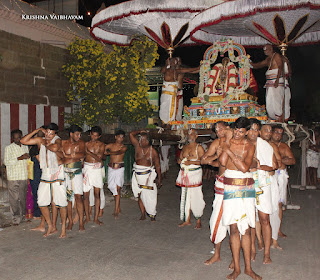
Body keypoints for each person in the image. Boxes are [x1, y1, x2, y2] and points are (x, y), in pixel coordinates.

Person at [219, 117, 261, 280]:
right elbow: (223, 162)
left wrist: (229, 151)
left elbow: (244, 168)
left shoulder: (249, 146)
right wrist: (227, 145)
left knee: (247, 228)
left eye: (241, 131)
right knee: (234, 228)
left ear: (247, 132)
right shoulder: (229, 141)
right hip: (230, 186)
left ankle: (248, 269)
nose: (237, 133)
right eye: (236, 130)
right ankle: (236, 268)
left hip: (246, 186)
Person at [21, 123, 67, 238]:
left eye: (51, 133)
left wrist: (45, 143)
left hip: (57, 173)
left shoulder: (57, 140)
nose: (48, 135)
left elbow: (55, 148)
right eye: (47, 132)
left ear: (55, 133)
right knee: (41, 202)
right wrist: (36, 131)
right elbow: (23, 141)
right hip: (46, 173)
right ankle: (50, 225)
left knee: (61, 203)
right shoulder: (41, 139)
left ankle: (63, 230)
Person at [201, 121, 233, 265]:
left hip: (235, 185)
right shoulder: (217, 143)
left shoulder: (237, 142)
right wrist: (217, 157)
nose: (219, 131)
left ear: (228, 128)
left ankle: (235, 258)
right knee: (216, 221)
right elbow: (204, 160)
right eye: (216, 129)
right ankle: (217, 254)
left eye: (221, 128)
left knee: (235, 223)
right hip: (221, 184)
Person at [247, 119, 277, 264]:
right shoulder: (241, 144)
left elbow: (274, 166)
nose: (254, 132)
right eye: (251, 129)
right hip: (247, 184)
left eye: (256, 129)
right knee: (250, 219)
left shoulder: (265, 146)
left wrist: (260, 166)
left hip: (263, 185)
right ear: (247, 130)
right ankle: (252, 250)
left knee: (264, 219)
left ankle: (266, 253)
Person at [251, 44, 291, 121]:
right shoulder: (268, 59)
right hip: (270, 83)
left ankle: (280, 118)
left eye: (267, 49)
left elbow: (280, 67)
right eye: (264, 50)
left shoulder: (276, 56)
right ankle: (273, 118)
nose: (265, 51)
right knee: (269, 101)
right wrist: (249, 63)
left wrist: (277, 80)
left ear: (271, 49)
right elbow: (258, 65)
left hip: (277, 81)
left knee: (277, 100)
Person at [176, 129, 205, 229]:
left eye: (192, 134)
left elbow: (203, 162)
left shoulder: (199, 148)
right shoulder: (185, 147)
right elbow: (179, 159)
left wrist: (191, 163)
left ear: (196, 136)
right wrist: (181, 161)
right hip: (185, 174)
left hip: (195, 174)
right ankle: (187, 219)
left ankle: (198, 220)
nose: (190, 136)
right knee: (185, 196)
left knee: (196, 196)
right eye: (188, 134)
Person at [130, 130, 161, 221]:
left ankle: (152, 213)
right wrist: (140, 131)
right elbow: (131, 134)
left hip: (148, 175)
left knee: (150, 195)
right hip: (137, 174)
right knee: (140, 194)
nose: (141, 141)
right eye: (140, 139)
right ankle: (143, 214)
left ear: (148, 141)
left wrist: (159, 179)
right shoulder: (137, 147)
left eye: (143, 140)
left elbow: (158, 166)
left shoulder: (153, 152)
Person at [260, 124, 282, 250]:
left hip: (270, 180)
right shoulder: (254, 145)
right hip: (257, 180)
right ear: (260, 132)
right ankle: (260, 242)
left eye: (270, 131)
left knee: (273, 210)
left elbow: (277, 164)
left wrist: (267, 167)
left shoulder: (272, 146)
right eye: (265, 130)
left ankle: (274, 240)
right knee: (258, 215)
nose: (268, 133)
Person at [271, 125, 296, 238]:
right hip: (268, 176)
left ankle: (278, 229)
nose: (278, 135)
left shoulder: (283, 146)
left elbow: (292, 160)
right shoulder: (265, 144)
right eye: (276, 132)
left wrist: (280, 160)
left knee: (279, 203)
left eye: (280, 133)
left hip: (280, 176)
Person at [160, 57, 200, 123]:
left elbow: (191, 71)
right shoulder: (167, 69)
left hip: (176, 91)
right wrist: (167, 64)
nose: (176, 63)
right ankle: (167, 122)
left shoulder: (179, 70)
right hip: (168, 91)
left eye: (177, 61)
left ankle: (175, 121)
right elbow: (162, 71)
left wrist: (199, 68)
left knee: (178, 108)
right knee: (166, 108)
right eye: (174, 61)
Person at [61, 125, 85, 231]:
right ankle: (70, 221)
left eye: (80, 134)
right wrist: (73, 156)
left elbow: (82, 154)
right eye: (77, 134)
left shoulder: (81, 143)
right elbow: (61, 156)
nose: (79, 136)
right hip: (66, 173)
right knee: (68, 199)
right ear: (71, 134)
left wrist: (69, 156)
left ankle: (80, 222)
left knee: (78, 197)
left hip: (77, 173)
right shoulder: (63, 143)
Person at [4, 129, 29, 225]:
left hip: (23, 176)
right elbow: (6, 162)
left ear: (22, 136)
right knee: (14, 199)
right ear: (12, 139)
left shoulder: (25, 147)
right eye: (15, 138)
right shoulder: (8, 148)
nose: (17, 139)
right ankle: (15, 218)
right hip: (13, 177)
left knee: (23, 198)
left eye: (19, 137)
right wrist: (19, 158)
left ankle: (22, 217)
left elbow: (27, 162)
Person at [83, 126, 105, 225]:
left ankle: (96, 218)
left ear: (99, 136)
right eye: (92, 135)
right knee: (86, 194)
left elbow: (99, 158)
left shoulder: (101, 145)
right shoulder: (86, 144)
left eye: (96, 136)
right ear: (90, 134)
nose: (93, 137)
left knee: (97, 194)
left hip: (96, 168)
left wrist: (88, 152)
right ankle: (87, 217)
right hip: (87, 168)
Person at [105, 129, 127, 219]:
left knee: (117, 189)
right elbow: (104, 151)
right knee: (111, 186)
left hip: (119, 169)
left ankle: (116, 211)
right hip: (111, 168)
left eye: (122, 137)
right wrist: (107, 152)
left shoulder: (124, 147)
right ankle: (118, 207)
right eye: (119, 137)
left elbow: (119, 152)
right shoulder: (110, 145)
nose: (120, 139)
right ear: (115, 137)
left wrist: (109, 152)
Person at [28, 127, 46, 219]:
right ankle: (37, 212)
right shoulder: (34, 144)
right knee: (36, 191)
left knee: (41, 192)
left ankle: (40, 211)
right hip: (36, 169)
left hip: (40, 169)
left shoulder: (45, 143)